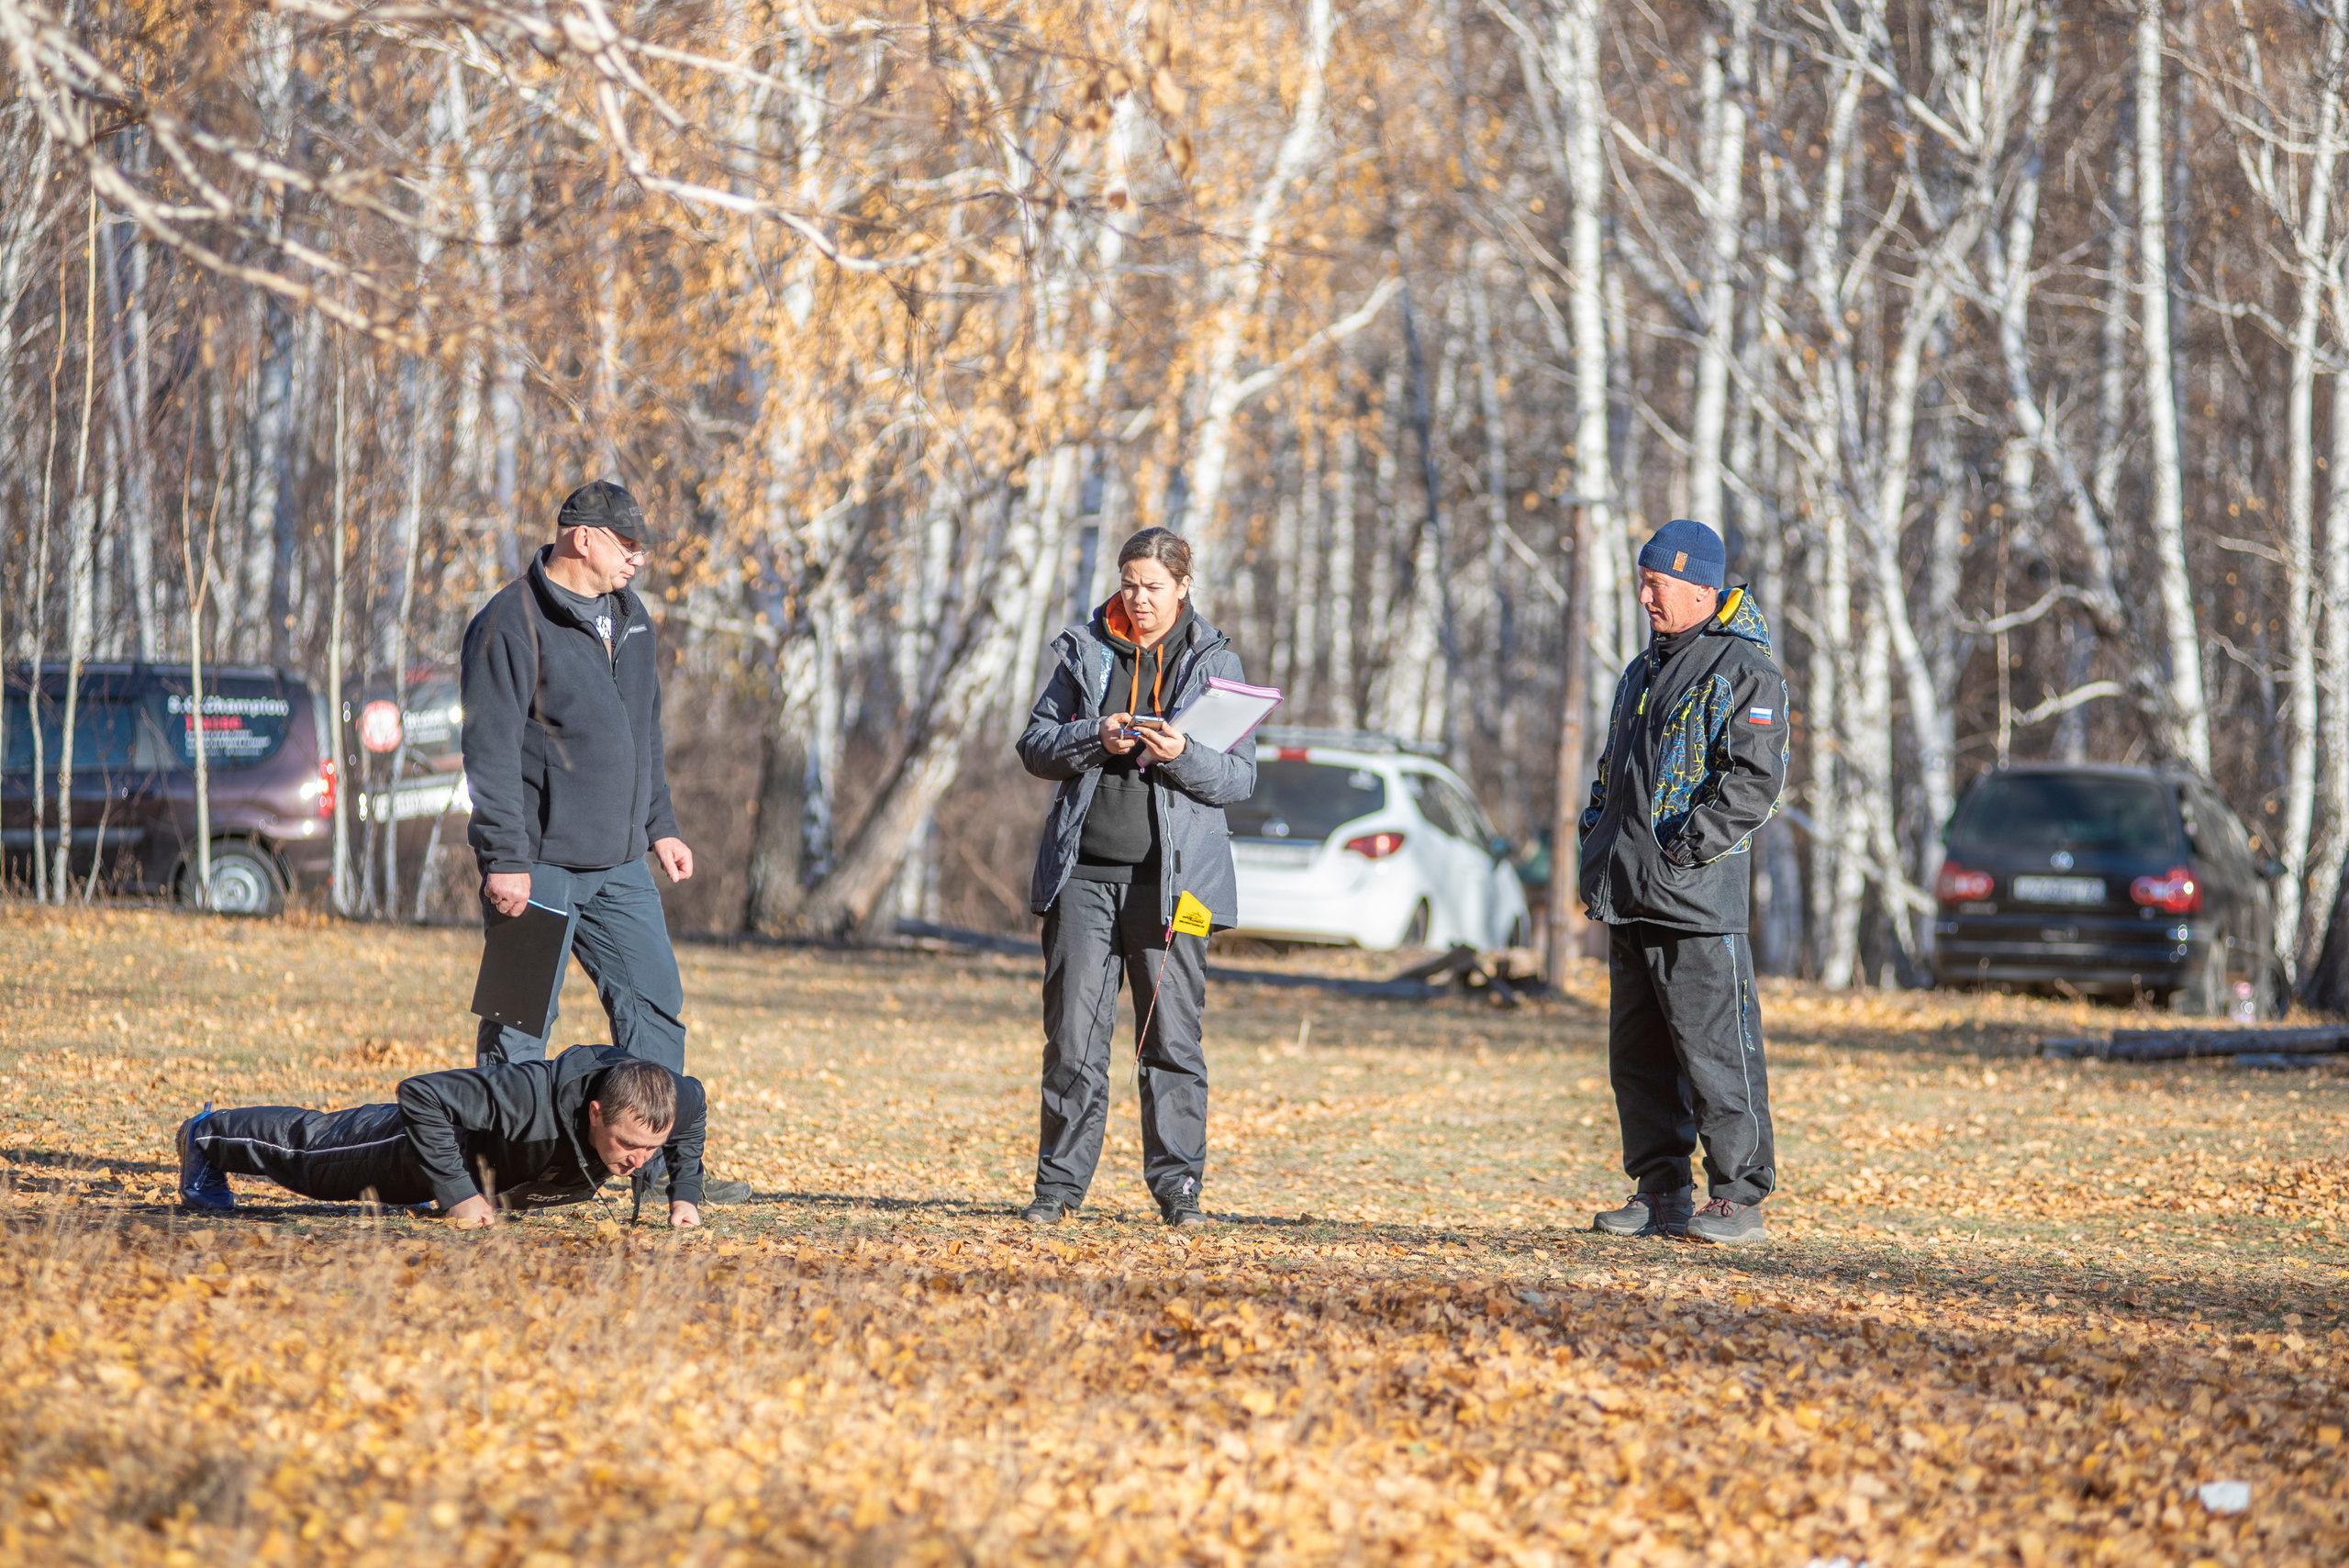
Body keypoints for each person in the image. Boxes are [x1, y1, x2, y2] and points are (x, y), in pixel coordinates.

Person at [459, 480, 747, 1207]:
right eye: (628, 545)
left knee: (656, 1007)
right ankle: (503, 1172)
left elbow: (642, 733)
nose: (638, 560)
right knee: (520, 1020)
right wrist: (504, 857)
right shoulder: (508, 623)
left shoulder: (633, 617)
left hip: (620, 866)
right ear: (582, 537)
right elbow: (489, 753)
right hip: (538, 862)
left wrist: (661, 825)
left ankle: (656, 1170)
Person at [1013, 528, 1257, 1228]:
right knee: (1072, 1038)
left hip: (1179, 886)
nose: (1138, 597)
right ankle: (1056, 1190)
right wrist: (1096, 735)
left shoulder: (1216, 661)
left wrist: (1180, 752)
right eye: (1128, 582)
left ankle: (1179, 1192)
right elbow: (1035, 744)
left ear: (1183, 586)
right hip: (1083, 877)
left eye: (1152, 585)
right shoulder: (1083, 650)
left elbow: (1240, 776)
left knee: (1173, 1039)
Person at [1577, 518, 1788, 1246]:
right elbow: (1613, 771)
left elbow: (1754, 780)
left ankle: (1738, 1198)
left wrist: (1685, 848)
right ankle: (1661, 1191)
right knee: (1637, 1058)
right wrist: (1596, 837)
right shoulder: (1642, 670)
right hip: (1630, 893)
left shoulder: (1744, 668)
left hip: (1696, 900)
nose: (1643, 597)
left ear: (1701, 588)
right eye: (1642, 581)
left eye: (1656, 584)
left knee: (1717, 1052)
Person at [173, 1048, 708, 1226]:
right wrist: (458, 1193)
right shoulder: (527, 1095)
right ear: (595, 1113)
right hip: (427, 1144)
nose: (639, 1161)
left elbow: (697, 1109)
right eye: (627, 1145)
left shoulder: (664, 1105)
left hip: (470, 1175)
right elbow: (420, 1095)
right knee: (314, 1157)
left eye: (650, 1150)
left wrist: (683, 1193)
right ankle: (204, 1138)